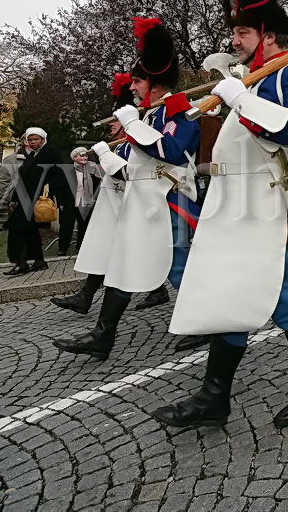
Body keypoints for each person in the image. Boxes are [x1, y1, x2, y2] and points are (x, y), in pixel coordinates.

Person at [155, 0, 288, 429]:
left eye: (240, 31)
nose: (233, 39)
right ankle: (215, 398)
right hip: (234, 209)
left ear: (267, 34)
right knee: (228, 292)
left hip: (277, 210)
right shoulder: (248, 77)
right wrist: (233, 87)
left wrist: (241, 98)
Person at [54, 18, 202, 360]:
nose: (132, 88)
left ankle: (212, 325)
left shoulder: (181, 109)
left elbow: (172, 151)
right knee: (125, 262)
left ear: (153, 79)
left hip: (169, 201)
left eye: (137, 81)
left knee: (182, 267)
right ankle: (103, 336)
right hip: (144, 202)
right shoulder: (151, 114)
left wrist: (132, 124)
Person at [50, 75, 133, 316]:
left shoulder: (130, 143)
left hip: (133, 207)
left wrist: (106, 156)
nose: (110, 125)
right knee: (109, 252)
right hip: (116, 207)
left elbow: (125, 173)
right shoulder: (121, 144)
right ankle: (86, 298)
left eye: (115, 121)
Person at [2, 128, 69, 276]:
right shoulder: (32, 155)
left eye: (36, 139)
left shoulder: (51, 151)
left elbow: (58, 175)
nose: (33, 142)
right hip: (26, 198)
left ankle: (22, 264)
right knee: (30, 230)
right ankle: (38, 261)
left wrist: (61, 199)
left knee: (18, 229)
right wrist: (14, 198)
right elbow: (24, 179)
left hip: (37, 198)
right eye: (30, 140)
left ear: (43, 139)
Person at [58, 146, 102, 256]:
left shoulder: (93, 168)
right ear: (74, 158)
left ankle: (80, 247)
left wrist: (95, 199)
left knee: (84, 225)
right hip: (70, 201)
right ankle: (62, 249)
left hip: (86, 201)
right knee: (66, 225)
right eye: (80, 155)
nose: (84, 157)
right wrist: (61, 202)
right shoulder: (67, 170)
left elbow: (99, 184)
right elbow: (60, 187)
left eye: (85, 155)